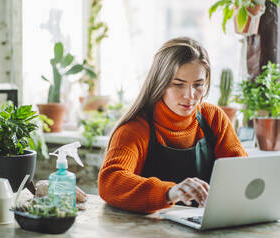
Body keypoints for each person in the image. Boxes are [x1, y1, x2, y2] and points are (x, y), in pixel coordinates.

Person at [98, 37, 247, 214]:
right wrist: (170, 192)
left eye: (198, 85)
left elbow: (241, 170)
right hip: (152, 234)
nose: (190, 96)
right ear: (160, 84)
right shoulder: (135, 129)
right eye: (178, 85)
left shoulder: (213, 117)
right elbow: (110, 182)